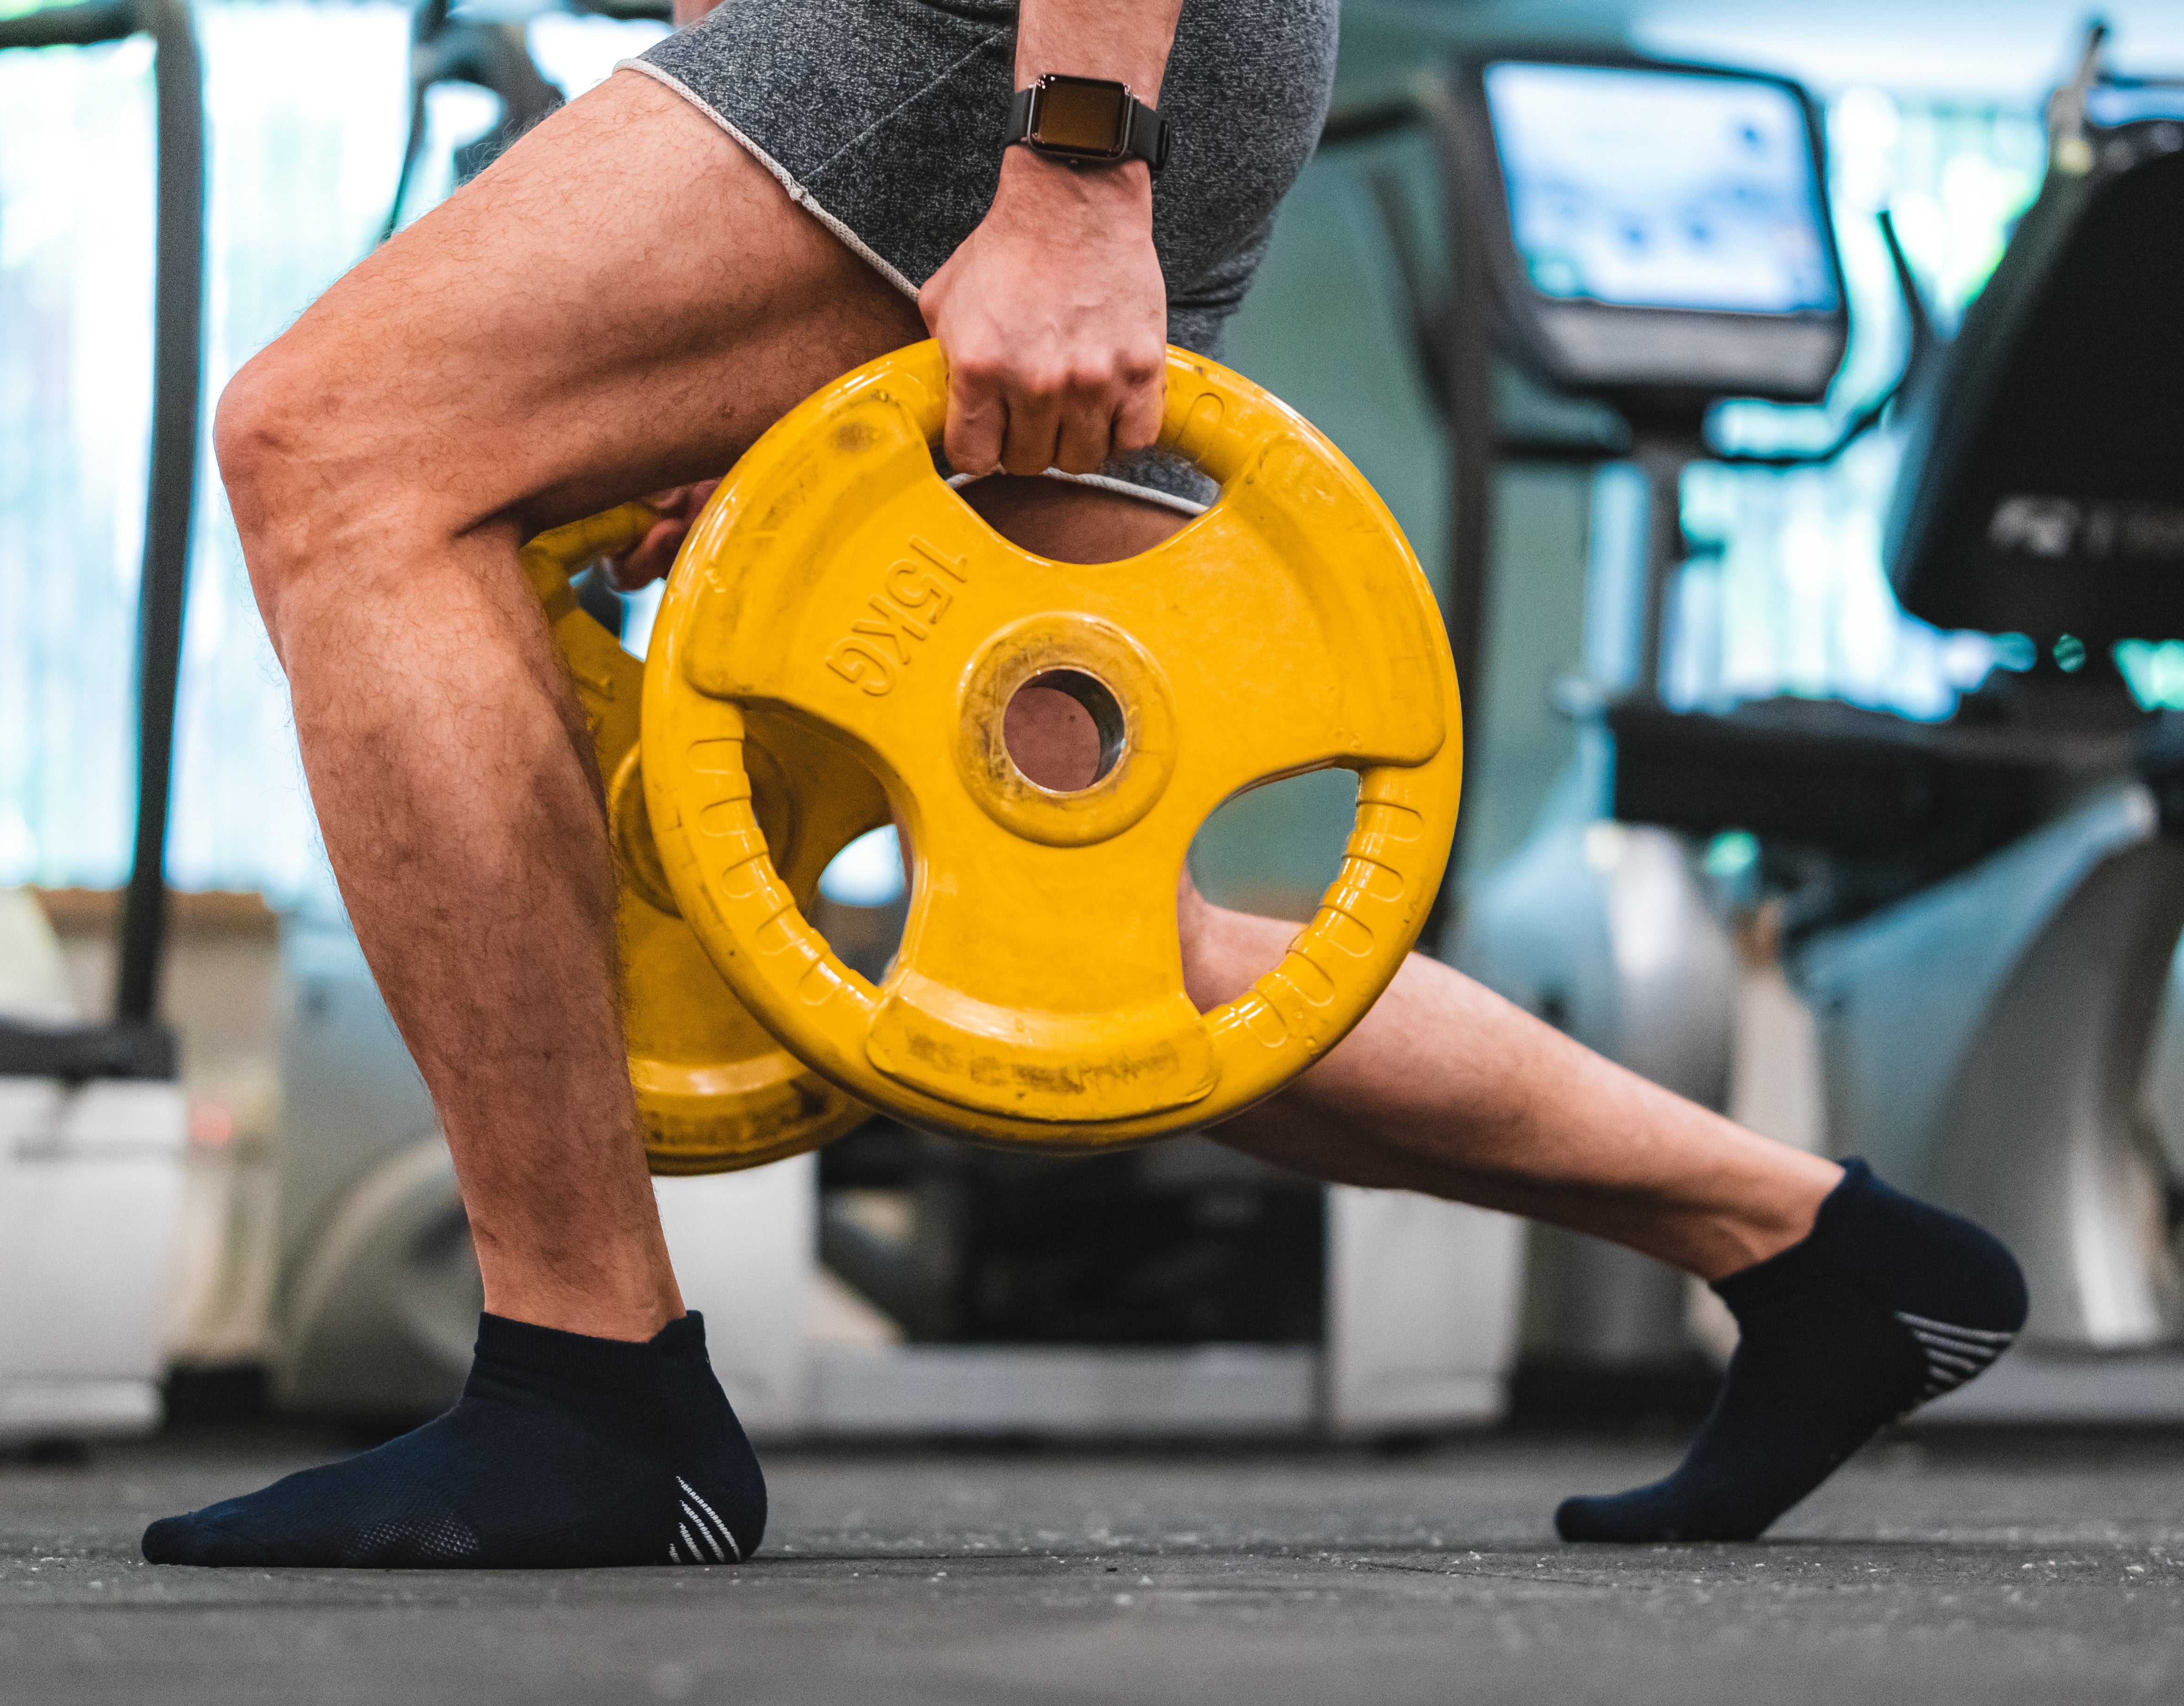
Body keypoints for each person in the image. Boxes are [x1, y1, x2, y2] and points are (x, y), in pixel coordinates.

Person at [142, 0, 2026, 1569]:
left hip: (987, 50)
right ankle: (1807, 1245)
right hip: (971, 65)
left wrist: (1073, 155)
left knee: (335, 447)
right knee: (1077, 908)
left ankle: (587, 1380)